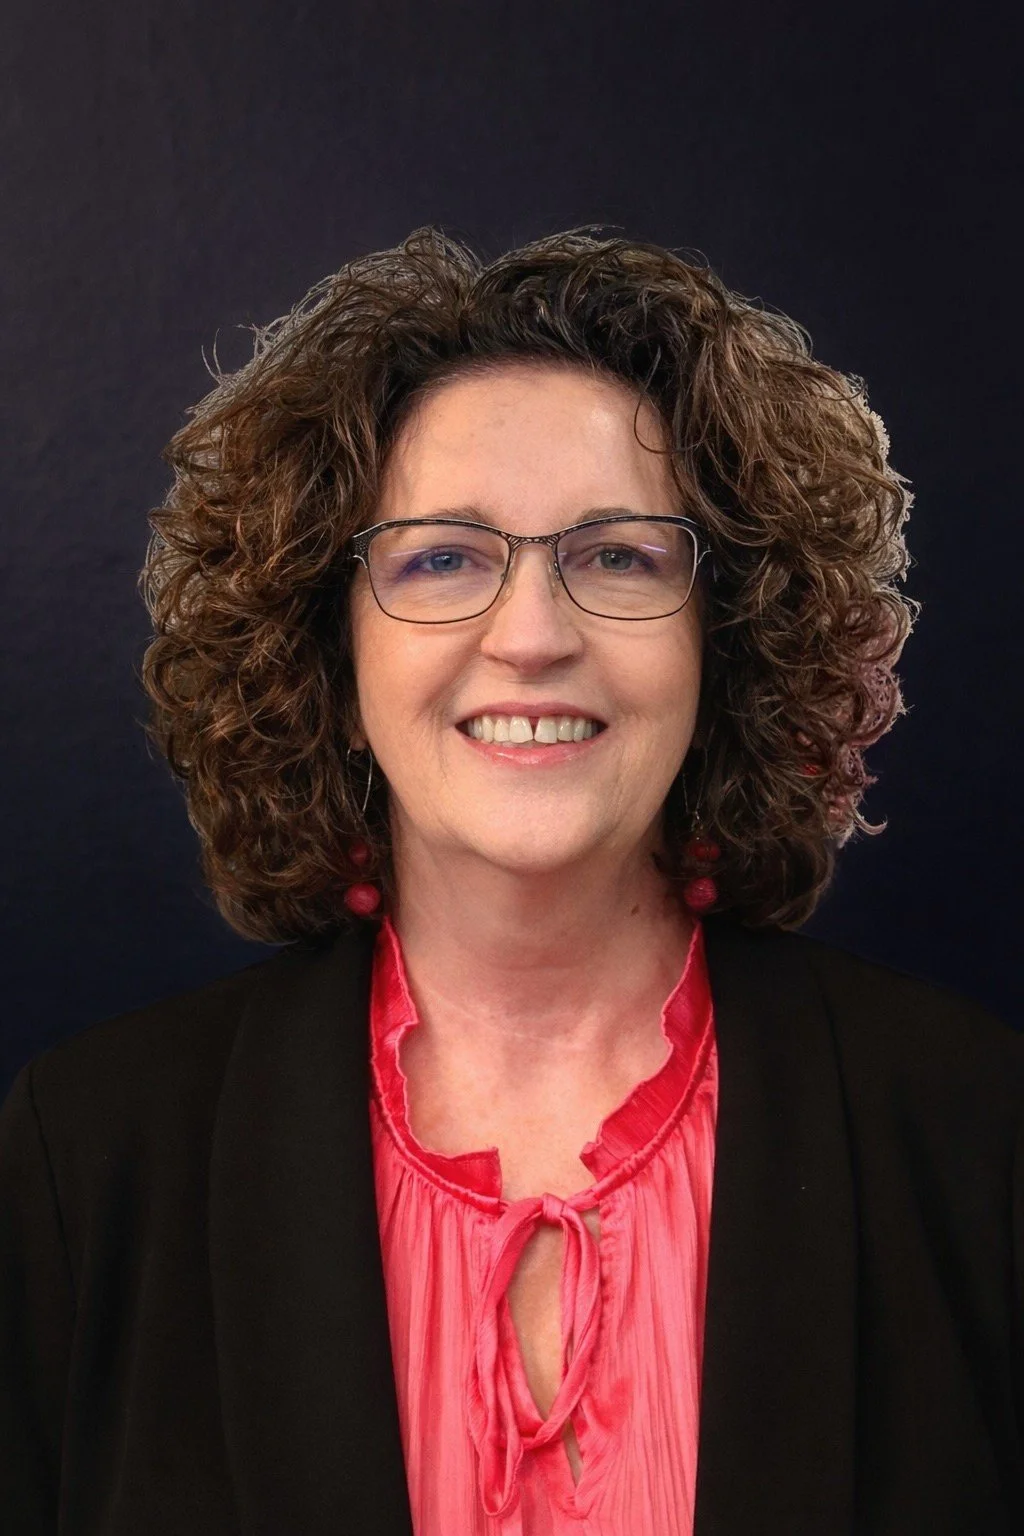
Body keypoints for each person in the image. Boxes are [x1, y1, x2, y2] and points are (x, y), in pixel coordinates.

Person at [1, 227, 1021, 1536]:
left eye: (619, 555)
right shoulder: (88, 1162)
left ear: (730, 637)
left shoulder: (977, 1139)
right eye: (440, 557)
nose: (532, 635)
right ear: (330, 645)